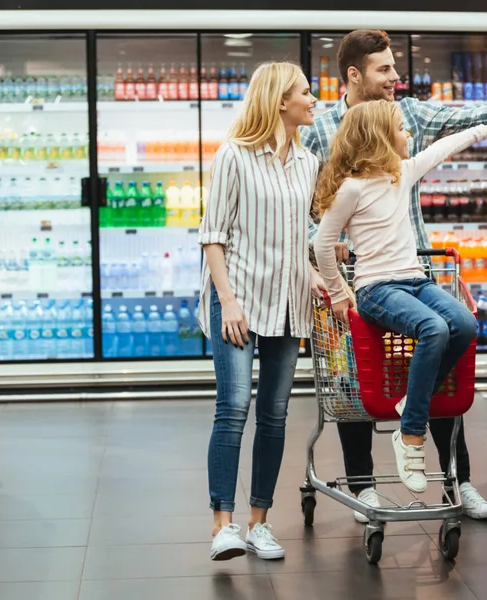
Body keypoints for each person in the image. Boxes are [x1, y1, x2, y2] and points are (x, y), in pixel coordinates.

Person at [301, 29, 487, 519]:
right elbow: (308, 203)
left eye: (395, 68)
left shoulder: (410, 114)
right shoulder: (321, 128)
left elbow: (468, 118)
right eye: (384, 70)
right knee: (354, 383)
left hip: (415, 265)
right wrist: (326, 259)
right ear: (353, 75)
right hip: (360, 278)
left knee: (440, 369)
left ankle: (457, 482)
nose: (396, 78)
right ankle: (363, 487)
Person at [313, 100, 487, 492]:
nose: (409, 136)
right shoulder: (351, 189)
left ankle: (410, 402)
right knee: (434, 329)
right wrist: (338, 292)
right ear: (379, 138)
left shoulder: (401, 174)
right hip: (375, 288)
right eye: (402, 129)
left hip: (416, 281)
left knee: (466, 323)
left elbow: (444, 148)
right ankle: (411, 434)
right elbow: (322, 244)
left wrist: (485, 130)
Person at [198, 61, 326, 562]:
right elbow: (213, 234)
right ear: (279, 101)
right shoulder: (234, 155)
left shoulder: (308, 161)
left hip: (290, 301)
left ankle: (260, 523)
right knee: (233, 408)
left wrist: (312, 270)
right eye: (305, 92)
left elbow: (302, 233)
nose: (313, 100)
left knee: (274, 415)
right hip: (239, 299)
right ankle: (223, 525)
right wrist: (227, 300)